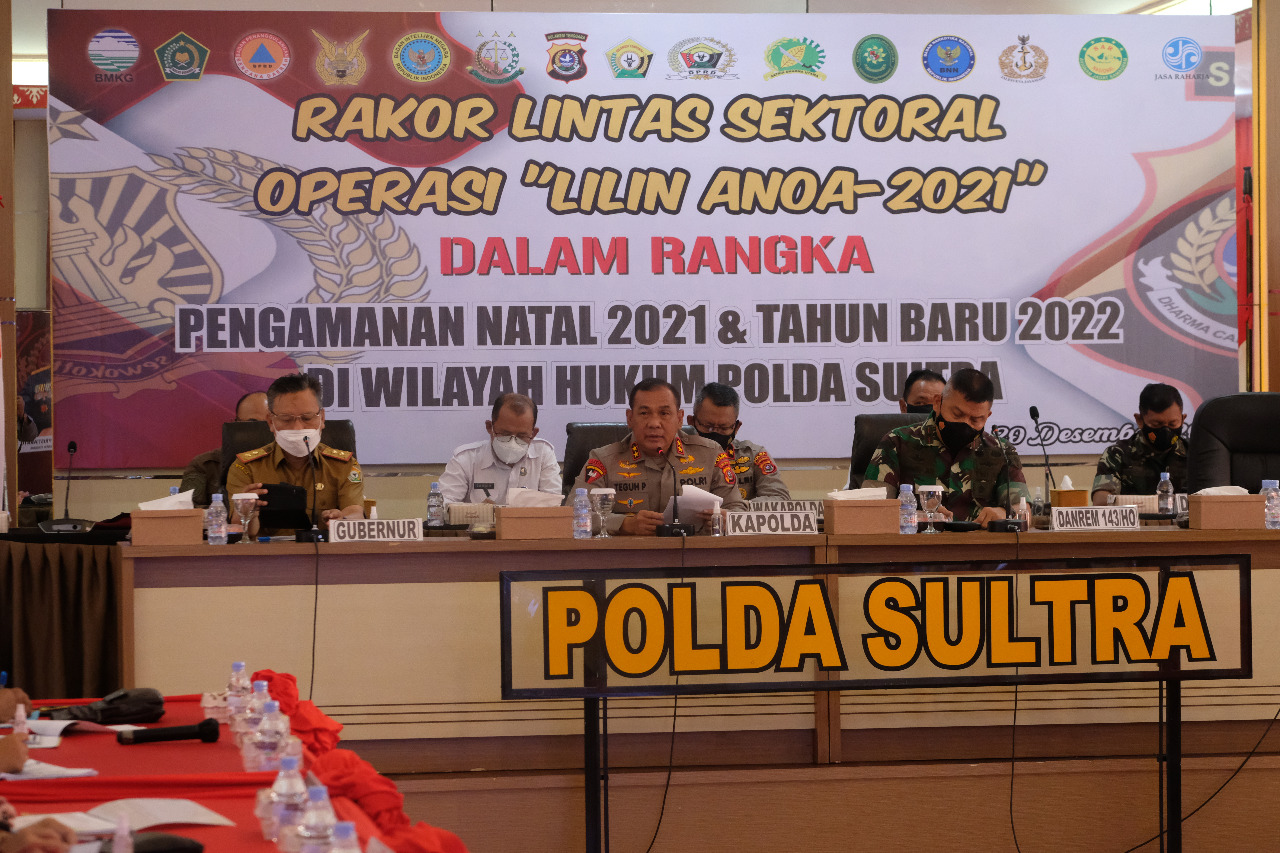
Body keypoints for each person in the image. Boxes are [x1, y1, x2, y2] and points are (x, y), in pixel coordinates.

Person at [572, 378, 746, 535]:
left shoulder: (710, 453)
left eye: (664, 413)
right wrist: (624, 524)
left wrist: (727, 520)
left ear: (679, 418)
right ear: (630, 418)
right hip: (630, 556)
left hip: (697, 556)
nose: (654, 423)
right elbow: (572, 513)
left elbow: (737, 508)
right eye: (644, 413)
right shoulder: (604, 460)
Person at [865, 367, 1028, 528]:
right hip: (918, 542)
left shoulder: (1001, 451)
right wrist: (916, 516)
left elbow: (1024, 510)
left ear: (987, 416)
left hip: (979, 543)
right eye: (957, 414)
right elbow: (868, 510)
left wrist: (1006, 513)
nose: (965, 424)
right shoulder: (896, 442)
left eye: (975, 419)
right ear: (938, 403)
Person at [226, 374, 365, 536]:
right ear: (270, 421)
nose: (298, 428)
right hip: (266, 551)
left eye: (307, 418)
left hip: (325, 551)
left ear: (322, 418)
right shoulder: (245, 467)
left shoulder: (345, 465)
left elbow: (355, 513)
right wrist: (247, 513)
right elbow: (240, 532)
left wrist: (343, 520)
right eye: (286, 419)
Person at [438, 393, 561, 504]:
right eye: (505, 434)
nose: (512, 443)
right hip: (479, 523)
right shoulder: (465, 459)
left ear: (533, 434)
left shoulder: (543, 454)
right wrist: (479, 512)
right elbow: (443, 505)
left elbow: (553, 507)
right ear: (489, 427)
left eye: (521, 436)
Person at [687, 382, 789, 501]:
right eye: (708, 426)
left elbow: (780, 498)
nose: (715, 432)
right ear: (691, 422)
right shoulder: (674, 455)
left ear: (736, 427)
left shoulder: (754, 455)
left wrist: (737, 509)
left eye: (724, 428)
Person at [1091, 383, 1189, 506]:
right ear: (1140, 420)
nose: (1166, 431)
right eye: (1156, 424)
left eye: (1172, 424)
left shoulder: (1196, 454)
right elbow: (1101, 500)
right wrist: (1152, 504)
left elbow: (1210, 497)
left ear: (1183, 419)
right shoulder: (1118, 454)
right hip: (1136, 519)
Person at [180, 390, 270, 507]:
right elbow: (187, 511)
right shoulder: (205, 465)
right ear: (236, 423)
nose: (263, 431)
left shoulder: (287, 462)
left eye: (270, 424)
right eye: (253, 423)